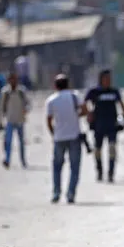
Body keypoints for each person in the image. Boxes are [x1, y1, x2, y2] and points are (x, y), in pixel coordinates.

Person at [45, 74, 87, 204]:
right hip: (74, 136)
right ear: (68, 84)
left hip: (59, 137)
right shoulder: (75, 96)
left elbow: (49, 120)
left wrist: (53, 133)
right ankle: (70, 193)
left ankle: (56, 192)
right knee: (74, 167)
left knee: (57, 167)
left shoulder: (51, 100)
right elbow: (85, 110)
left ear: (55, 86)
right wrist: (75, 115)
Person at [84, 69, 124, 183]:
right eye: (106, 79)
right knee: (97, 149)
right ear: (101, 79)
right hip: (98, 124)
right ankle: (99, 171)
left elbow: (121, 104)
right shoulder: (94, 92)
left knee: (112, 148)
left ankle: (111, 173)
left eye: (109, 79)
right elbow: (85, 103)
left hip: (112, 124)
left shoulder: (114, 91)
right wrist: (89, 114)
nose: (108, 81)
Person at [0, 72, 30, 169]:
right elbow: (1, 108)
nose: (13, 81)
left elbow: (28, 104)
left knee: (21, 142)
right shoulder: (5, 92)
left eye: (15, 79)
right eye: (11, 79)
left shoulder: (21, 91)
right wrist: (0, 122)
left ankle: (23, 161)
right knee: (8, 142)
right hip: (10, 120)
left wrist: (26, 110)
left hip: (20, 120)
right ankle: (7, 160)